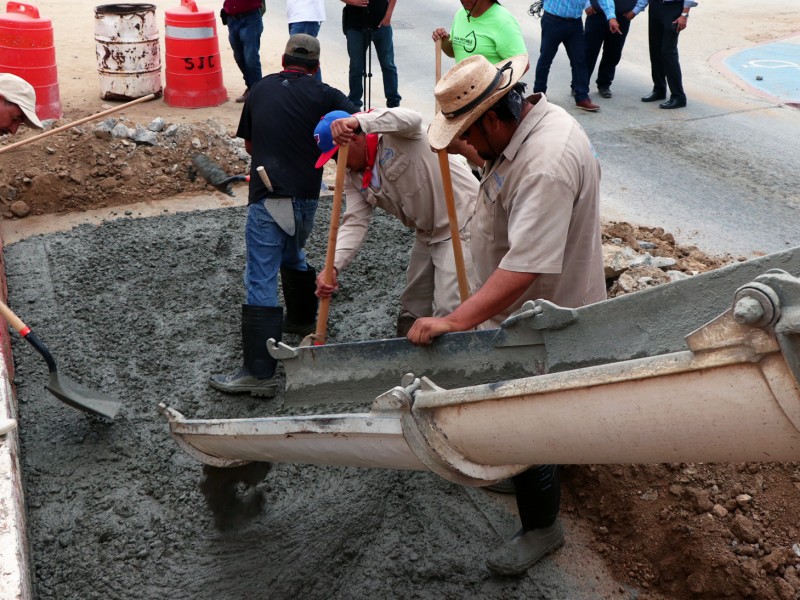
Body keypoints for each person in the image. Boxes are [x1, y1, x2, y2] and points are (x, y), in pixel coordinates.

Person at [417, 54, 607, 575]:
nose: (468, 146)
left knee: (528, 416)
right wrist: (476, 156)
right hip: (523, 308)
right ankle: (527, 469)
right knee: (528, 415)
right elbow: (505, 183)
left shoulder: (545, 162)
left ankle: (543, 526)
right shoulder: (522, 131)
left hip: (544, 316)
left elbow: (523, 269)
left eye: (470, 136)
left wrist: (454, 320)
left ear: (495, 119)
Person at [209, 35, 357, 397]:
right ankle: (303, 318)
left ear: (282, 58)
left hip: (268, 196)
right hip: (307, 199)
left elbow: (248, 144)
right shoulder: (326, 94)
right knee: (292, 253)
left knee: (260, 275)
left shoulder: (259, 89)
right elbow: (354, 121)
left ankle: (259, 373)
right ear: (316, 67)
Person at [313, 108, 479, 336]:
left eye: (335, 155)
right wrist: (333, 266)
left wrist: (357, 121)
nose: (336, 162)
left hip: (462, 220)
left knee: (451, 306)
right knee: (414, 302)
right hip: (428, 232)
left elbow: (413, 118)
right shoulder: (353, 176)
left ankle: (457, 364)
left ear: (354, 137)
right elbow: (354, 223)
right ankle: (407, 356)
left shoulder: (396, 134)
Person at [532, 0, 620, 112]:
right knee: (546, 58)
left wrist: (611, 17)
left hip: (575, 23)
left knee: (580, 60)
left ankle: (582, 97)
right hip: (553, 20)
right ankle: (539, 95)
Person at [341, 0, 401, 109]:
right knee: (356, 67)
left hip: (381, 24)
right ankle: (354, 104)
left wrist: (388, 16)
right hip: (355, 25)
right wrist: (354, 2)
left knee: (388, 65)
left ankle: (394, 103)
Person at [584, 0, 648, 99]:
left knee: (613, 53)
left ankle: (604, 84)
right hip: (597, 14)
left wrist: (635, 10)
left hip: (622, 17)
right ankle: (580, 85)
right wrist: (587, 4)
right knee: (589, 51)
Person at [431, 0, 527, 65]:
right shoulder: (461, 13)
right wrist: (444, 41)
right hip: (464, 92)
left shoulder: (503, 21)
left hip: (492, 93)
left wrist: (493, 88)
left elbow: (522, 64)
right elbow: (455, 52)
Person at [640, 0, 697, 109]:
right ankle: (659, 89)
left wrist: (684, 15)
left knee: (668, 52)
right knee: (655, 50)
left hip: (673, 8)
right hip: (655, 6)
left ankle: (678, 96)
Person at [222, 0, 265, 103]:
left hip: (250, 18)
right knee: (239, 57)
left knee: (251, 58)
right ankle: (251, 87)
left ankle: (257, 93)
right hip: (232, 18)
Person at [287, 0, 325, 80]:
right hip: (298, 14)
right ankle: (315, 89)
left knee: (301, 58)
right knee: (303, 58)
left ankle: (316, 90)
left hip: (306, 14)